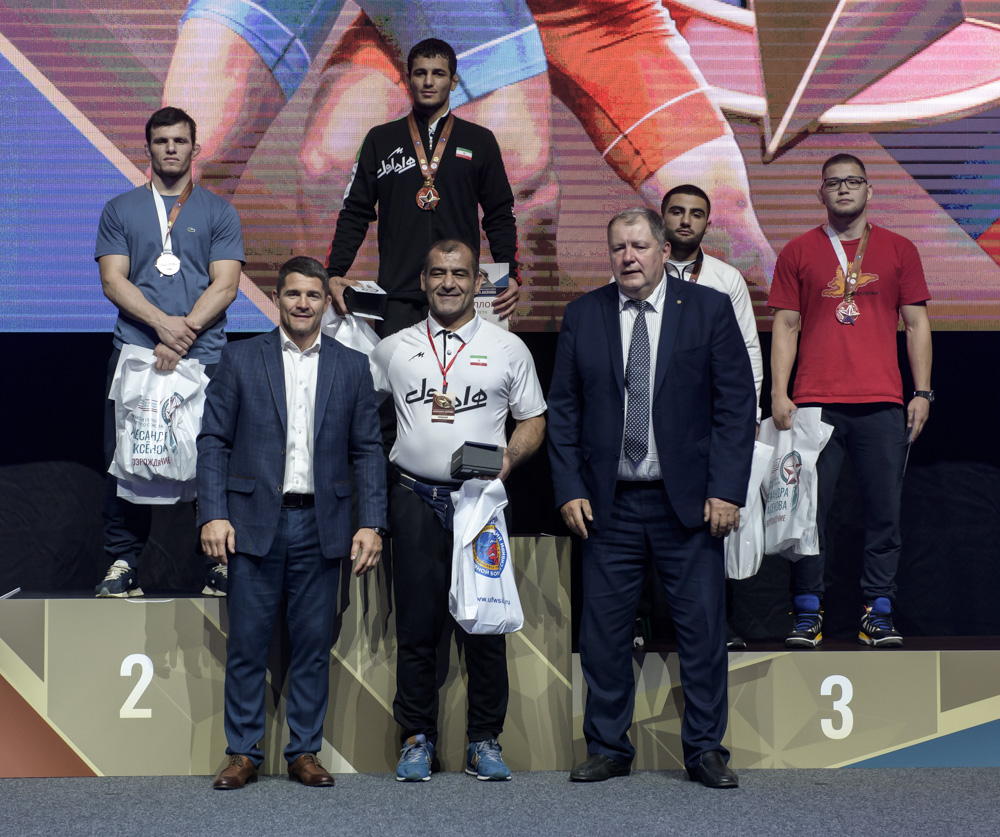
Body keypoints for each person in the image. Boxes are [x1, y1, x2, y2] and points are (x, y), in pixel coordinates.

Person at [547, 208, 755, 788]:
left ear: (664, 251)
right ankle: (608, 747)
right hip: (608, 505)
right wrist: (569, 488)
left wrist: (726, 489)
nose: (628, 257)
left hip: (687, 504)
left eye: (639, 245)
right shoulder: (583, 314)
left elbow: (736, 406)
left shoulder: (708, 309)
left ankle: (706, 750)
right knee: (603, 635)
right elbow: (564, 412)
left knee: (703, 633)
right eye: (618, 247)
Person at [197, 256, 387, 790]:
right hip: (253, 522)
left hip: (322, 525)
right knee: (247, 646)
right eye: (293, 294)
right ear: (277, 299)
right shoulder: (239, 358)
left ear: (326, 303)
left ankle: (304, 751)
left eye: (313, 295)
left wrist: (371, 522)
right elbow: (214, 441)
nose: (303, 304)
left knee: (311, 646)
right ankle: (243, 753)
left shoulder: (352, 366)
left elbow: (368, 450)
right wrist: (213, 512)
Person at [368, 239, 546, 782]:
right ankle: (416, 738)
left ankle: (484, 740)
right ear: (423, 281)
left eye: (460, 274)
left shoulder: (508, 347)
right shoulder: (392, 348)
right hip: (414, 498)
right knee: (417, 628)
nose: (449, 283)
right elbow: (360, 418)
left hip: (481, 504)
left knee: (485, 625)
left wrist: (509, 460)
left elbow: (533, 420)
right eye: (439, 273)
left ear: (478, 282)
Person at [769, 153, 933, 649]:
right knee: (807, 516)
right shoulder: (798, 250)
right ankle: (807, 612)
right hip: (813, 404)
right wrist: (779, 392)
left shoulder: (899, 248)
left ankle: (877, 611)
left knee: (884, 513)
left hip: (882, 402)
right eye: (834, 182)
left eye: (853, 181)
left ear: (869, 190)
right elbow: (785, 325)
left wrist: (922, 391)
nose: (843, 189)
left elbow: (917, 324)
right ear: (820, 193)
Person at [94, 106, 244, 598]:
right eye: (162, 141)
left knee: (212, 458)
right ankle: (122, 561)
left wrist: (184, 333)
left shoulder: (219, 211)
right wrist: (163, 326)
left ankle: (220, 564)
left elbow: (226, 285)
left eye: (180, 140)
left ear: (195, 148)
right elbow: (113, 279)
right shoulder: (120, 209)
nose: (171, 149)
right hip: (137, 352)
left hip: (205, 355)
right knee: (125, 457)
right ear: (148, 149)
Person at [328, 38, 520, 336]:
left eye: (438, 73)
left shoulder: (479, 140)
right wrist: (334, 272)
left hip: (458, 293)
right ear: (408, 79)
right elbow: (355, 212)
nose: (428, 82)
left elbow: (499, 214)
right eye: (420, 73)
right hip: (397, 296)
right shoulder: (381, 140)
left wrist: (510, 272)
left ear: (454, 81)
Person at [662, 182, 763, 650]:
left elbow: (748, 352)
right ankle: (649, 625)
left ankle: (714, 626)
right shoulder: (639, 271)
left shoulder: (726, 278)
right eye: (677, 211)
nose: (686, 220)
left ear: (708, 223)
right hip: (652, 420)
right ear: (662, 218)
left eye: (696, 213)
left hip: (709, 421)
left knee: (712, 524)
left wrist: (748, 418)